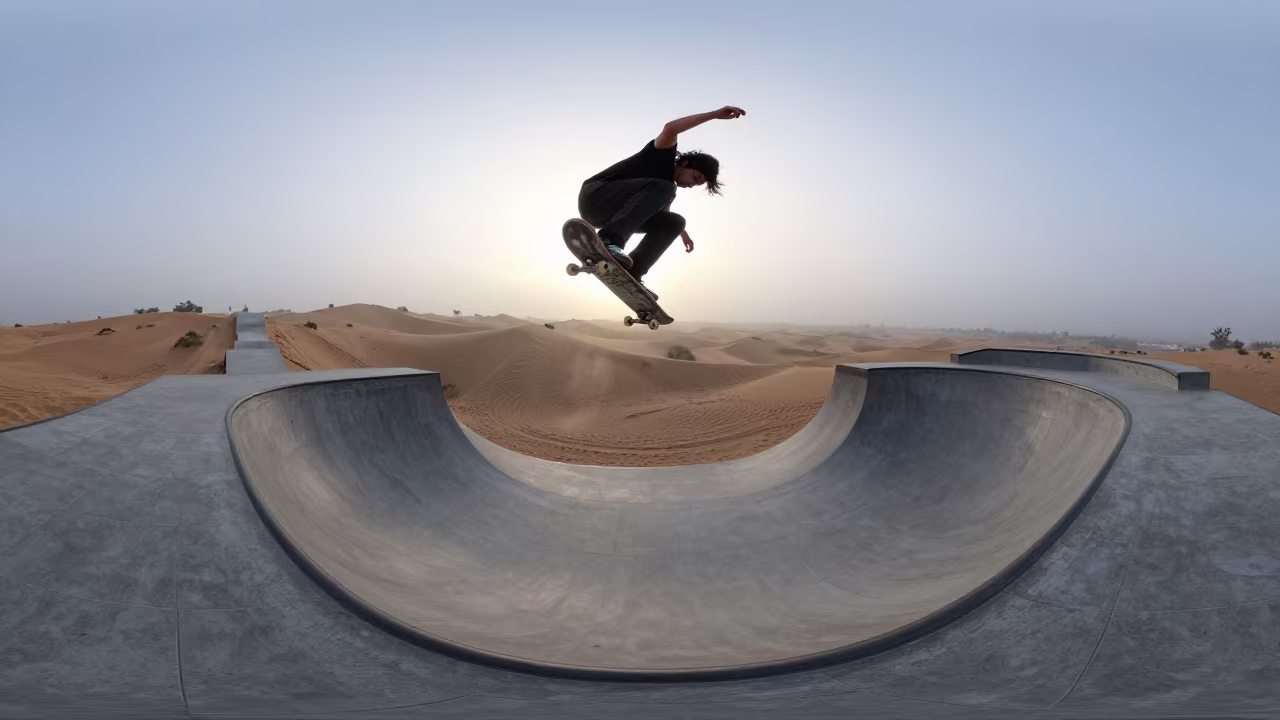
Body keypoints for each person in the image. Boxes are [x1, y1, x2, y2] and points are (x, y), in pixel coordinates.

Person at [577, 105, 746, 298]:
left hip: (610, 213)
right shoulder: (662, 155)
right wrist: (715, 115)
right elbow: (670, 128)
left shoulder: (663, 190)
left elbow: (662, 213)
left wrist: (681, 233)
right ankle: (608, 241)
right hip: (596, 197)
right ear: (686, 163)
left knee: (676, 221)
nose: (691, 186)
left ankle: (633, 272)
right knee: (666, 188)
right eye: (696, 178)